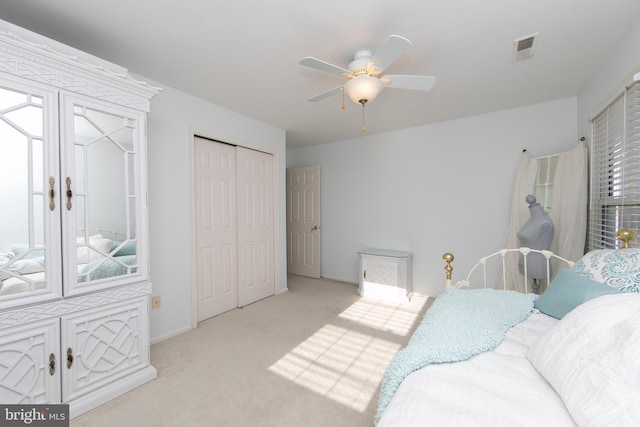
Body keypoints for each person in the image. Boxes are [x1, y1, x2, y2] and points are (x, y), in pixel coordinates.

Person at [516, 195, 554, 290]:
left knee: (535, 290)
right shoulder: (532, 220)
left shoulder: (545, 222)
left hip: (538, 264)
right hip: (525, 261)